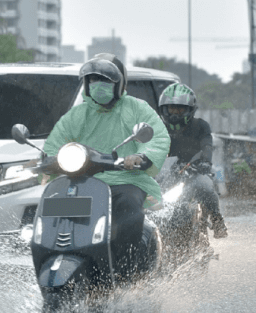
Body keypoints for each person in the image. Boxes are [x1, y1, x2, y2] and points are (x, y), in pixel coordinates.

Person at [44, 53, 171, 277]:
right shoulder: (77, 114)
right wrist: (46, 161)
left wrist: (141, 157)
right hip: (82, 180)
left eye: (105, 80)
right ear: (86, 84)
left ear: (119, 84)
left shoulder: (136, 108)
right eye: (93, 80)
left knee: (129, 206)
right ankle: (55, 256)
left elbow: (158, 138)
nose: (98, 85)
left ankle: (125, 271)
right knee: (53, 208)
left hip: (125, 179)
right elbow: (55, 142)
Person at [158, 82, 228, 238]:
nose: (175, 113)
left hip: (195, 170)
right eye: (171, 109)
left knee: (206, 186)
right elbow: (151, 147)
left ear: (189, 110)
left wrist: (205, 162)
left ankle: (217, 220)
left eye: (180, 109)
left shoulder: (201, 126)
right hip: (170, 173)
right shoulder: (159, 128)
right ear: (164, 109)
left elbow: (207, 146)